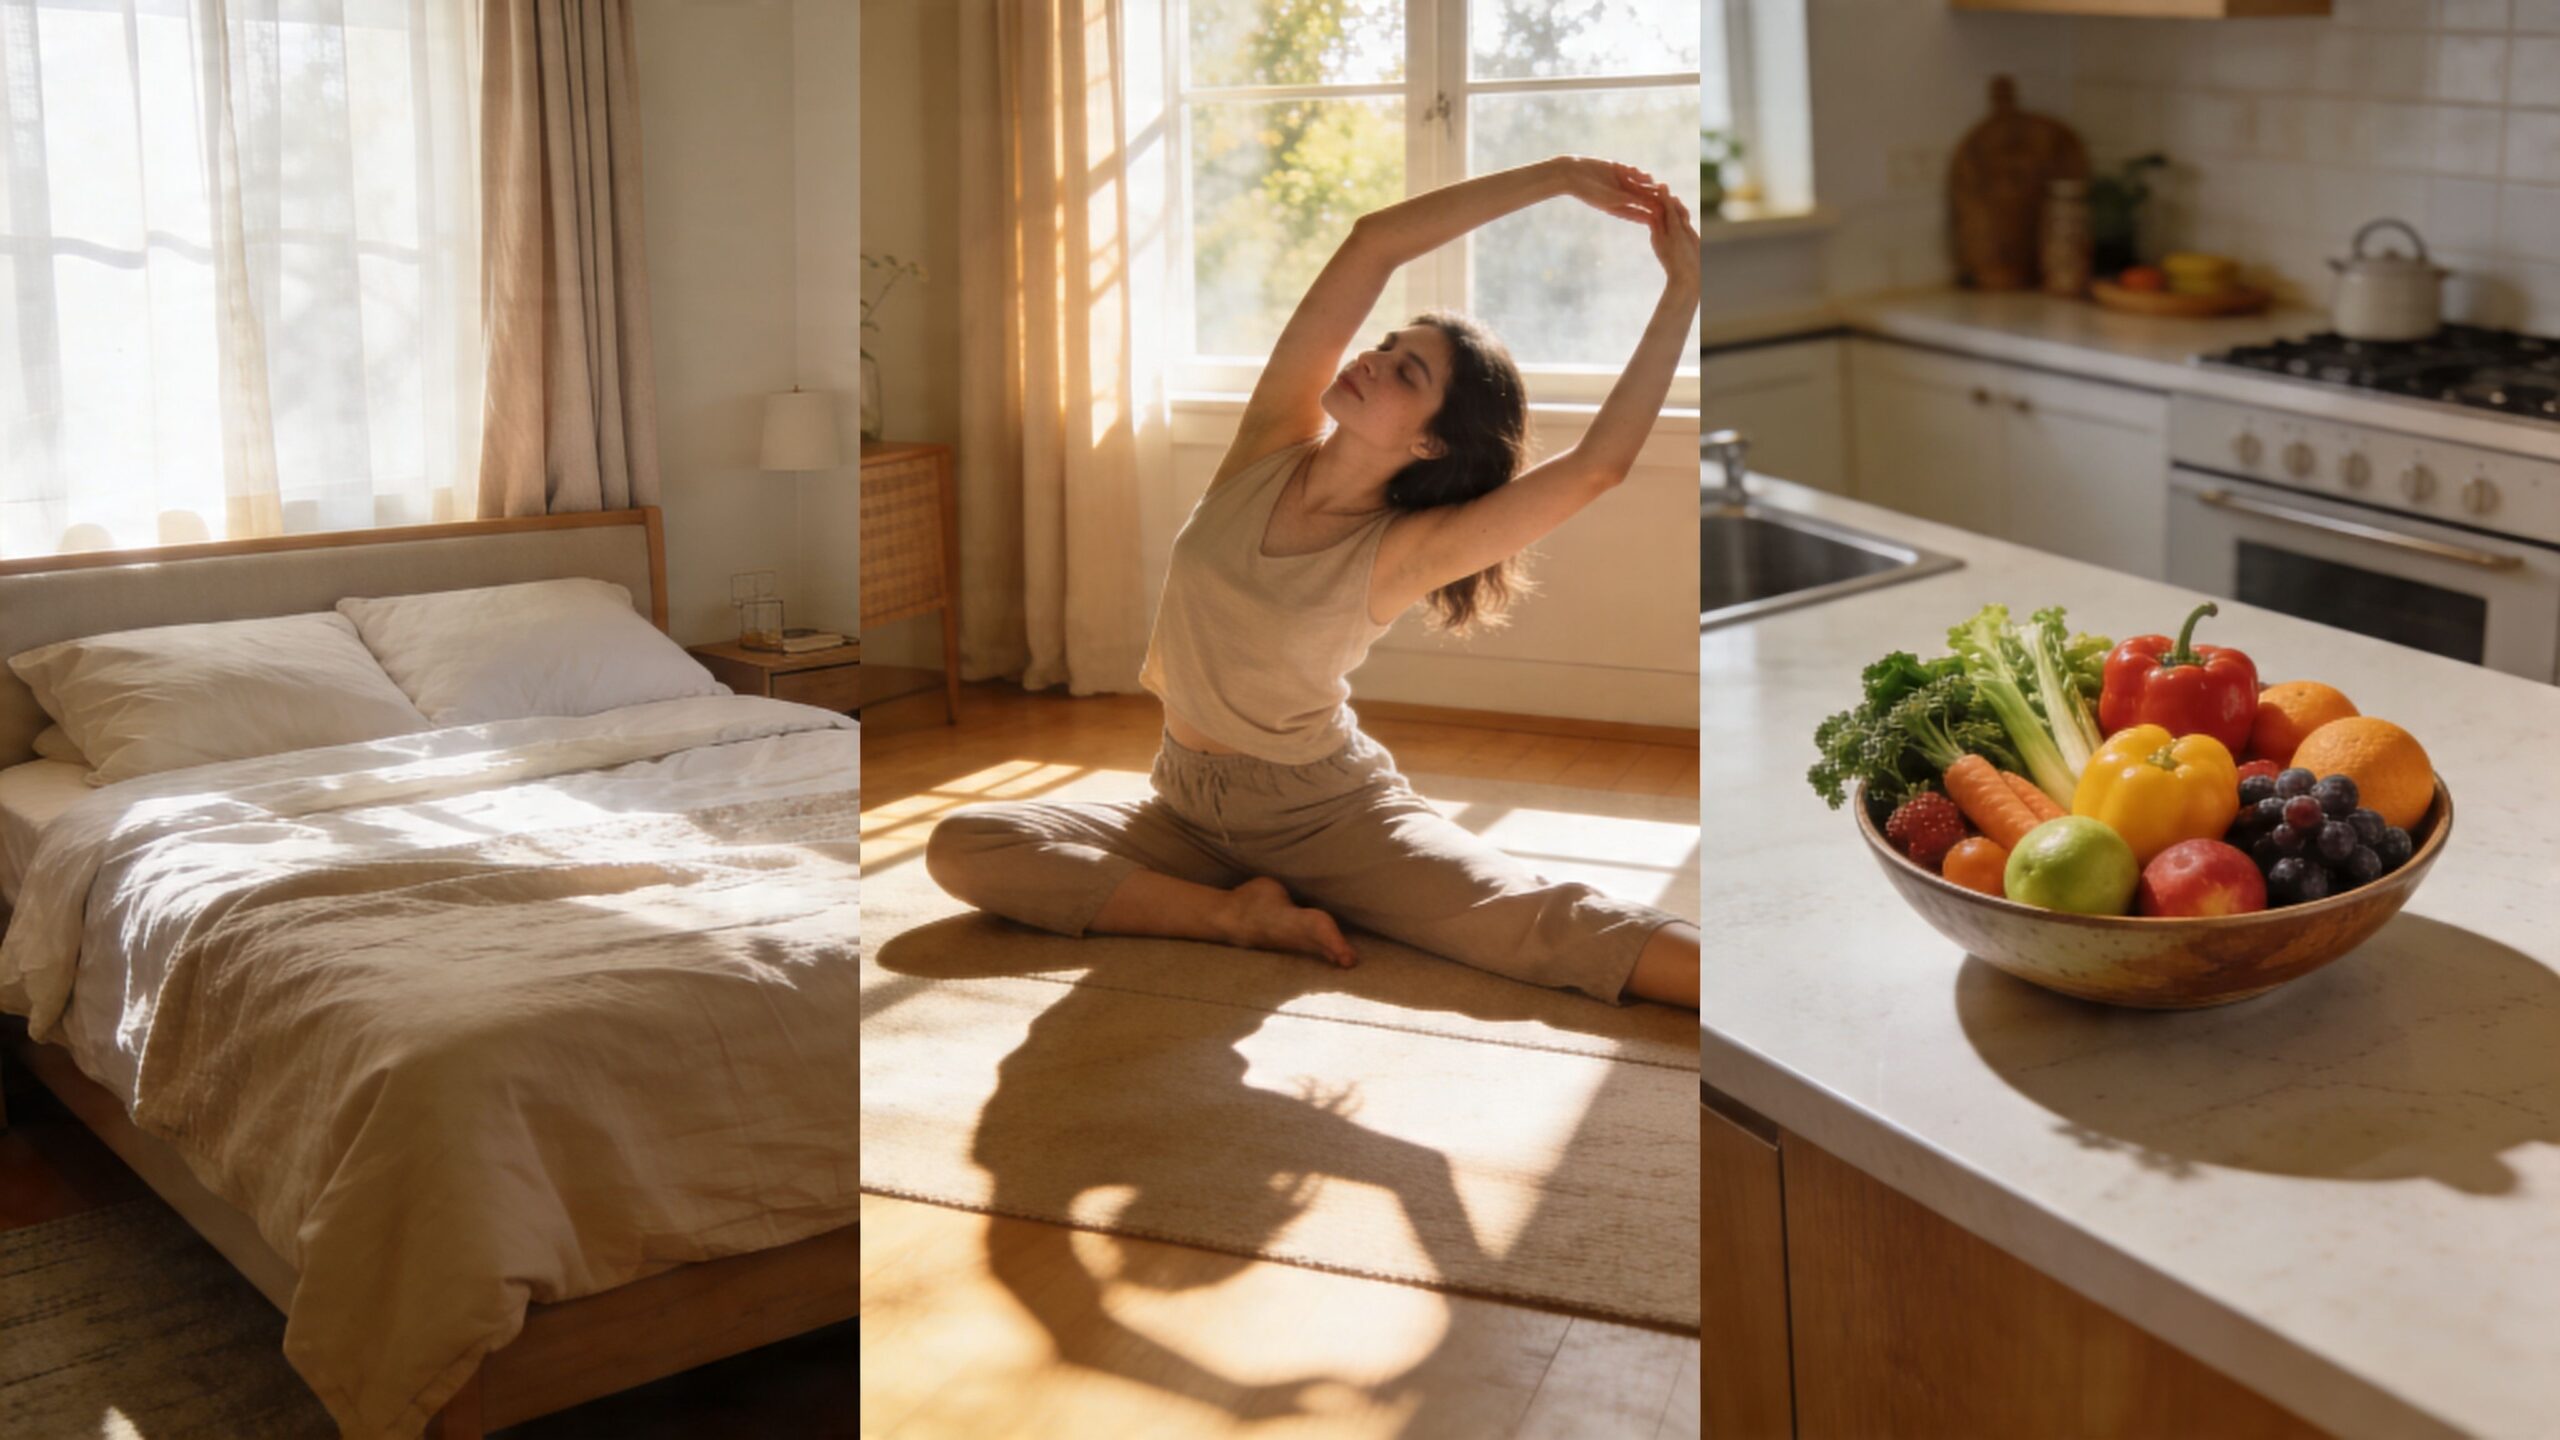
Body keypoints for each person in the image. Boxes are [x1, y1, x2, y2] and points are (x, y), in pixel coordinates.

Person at [926, 155, 1701, 1009]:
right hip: (1182, 805)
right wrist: (1554, 176)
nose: (1374, 358)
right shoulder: (1264, 449)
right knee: (969, 842)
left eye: (1408, 373)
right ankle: (1237, 918)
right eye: (1387, 345)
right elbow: (1373, 243)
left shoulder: (1404, 548)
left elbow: (1598, 468)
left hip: (1328, 817)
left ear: (1432, 444)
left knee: (1537, 922)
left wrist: (1682, 294)